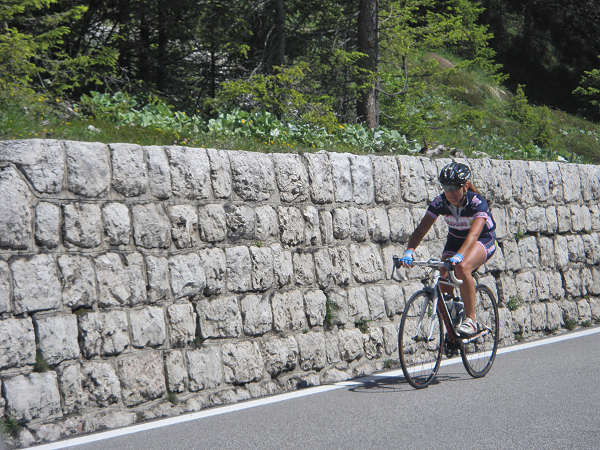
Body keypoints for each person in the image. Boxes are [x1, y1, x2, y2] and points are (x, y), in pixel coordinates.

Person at [399, 161, 497, 336]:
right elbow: (421, 229)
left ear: (465, 185)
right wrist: (409, 250)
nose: (449, 192)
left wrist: (460, 256)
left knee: (462, 267)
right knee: (443, 279)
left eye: (453, 187)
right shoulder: (441, 202)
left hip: (481, 239)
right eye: (445, 187)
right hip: (455, 240)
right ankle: (452, 333)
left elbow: (473, 236)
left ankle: (471, 320)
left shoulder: (476, 202)